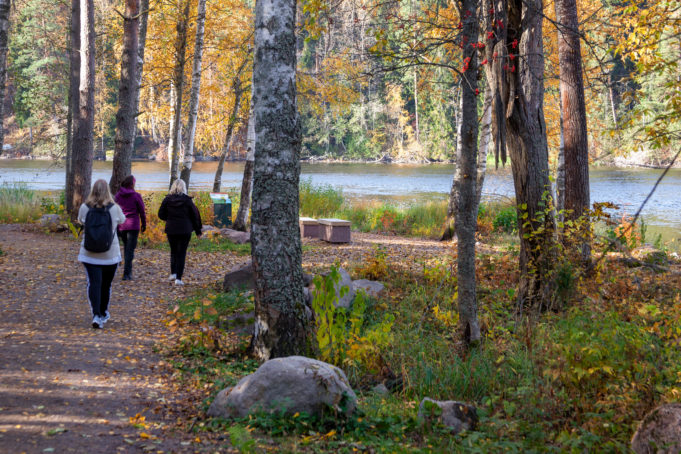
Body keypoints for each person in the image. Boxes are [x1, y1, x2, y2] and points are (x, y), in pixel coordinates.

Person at [78, 179, 126, 329]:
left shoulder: (85, 207)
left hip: (89, 253)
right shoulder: (115, 208)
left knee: (94, 283)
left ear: (93, 190)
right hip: (110, 254)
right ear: (108, 191)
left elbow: (80, 221)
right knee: (106, 285)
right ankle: (104, 312)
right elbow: (122, 220)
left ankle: (96, 314)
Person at [158, 179, 202, 285]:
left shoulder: (167, 200)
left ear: (173, 187)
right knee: (181, 253)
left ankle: (173, 273)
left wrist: (169, 219)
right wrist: (198, 231)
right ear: (184, 187)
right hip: (185, 230)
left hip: (171, 229)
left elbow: (160, 214)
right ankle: (178, 278)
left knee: (173, 251)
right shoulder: (187, 201)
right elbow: (195, 216)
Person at [114, 175, 147, 280]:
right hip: (133, 225)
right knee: (130, 250)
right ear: (132, 184)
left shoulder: (118, 196)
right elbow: (142, 211)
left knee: (126, 247)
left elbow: (114, 210)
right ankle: (127, 274)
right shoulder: (136, 196)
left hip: (121, 225)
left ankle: (126, 272)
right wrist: (144, 224)